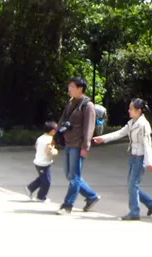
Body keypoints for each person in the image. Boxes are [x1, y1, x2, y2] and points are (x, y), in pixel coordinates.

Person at [92, 98, 152, 220]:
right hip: (133, 156)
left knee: (133, 185)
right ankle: (150, 202)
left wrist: (149, 163)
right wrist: (103, 138)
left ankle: (134, 212)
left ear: (139, 111)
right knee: (131, 185)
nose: (129, 111)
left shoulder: (143, 125)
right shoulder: (132, 122)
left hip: (140, 157)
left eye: (131, 109)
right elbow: (119, 133)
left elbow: (147, 144)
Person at [56, 77, 101, 215]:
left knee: (74, 176)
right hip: (69, 143)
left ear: (80, 88)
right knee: (69, 175)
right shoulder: (70, 103)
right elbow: (62, 121)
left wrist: (85, 146)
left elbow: (89, 127)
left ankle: (67, 205)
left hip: (78, 144)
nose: (69, 89)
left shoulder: (87, 105)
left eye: (72, 87)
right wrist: (55, 135)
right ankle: (91, 196)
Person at [26, 121, 58, 202]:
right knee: (47, 181)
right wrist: (55, 151)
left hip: (38, 161)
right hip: (43, 163)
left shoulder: (40, 138)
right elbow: (50, 151)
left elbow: (36, 147)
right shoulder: (49, 140)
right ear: (52, 131)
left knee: (42, 178)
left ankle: (30, 188)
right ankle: (41, 197)